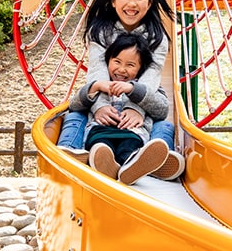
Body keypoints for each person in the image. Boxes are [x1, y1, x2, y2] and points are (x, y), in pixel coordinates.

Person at [56, 0, 185, 181]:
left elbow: (151, 76)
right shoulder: (100, 32)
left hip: (141, 95)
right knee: (75, 114)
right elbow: (98, 71)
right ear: (113, 1)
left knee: (164, 123)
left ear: (150, 2)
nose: (132, 4)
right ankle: (73, 152)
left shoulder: (157, 37)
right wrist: (101, 106)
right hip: (104, 93)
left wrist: (136, 109)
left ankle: (158, 161)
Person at [70, 33, 170, 185]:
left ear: (140, 68)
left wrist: (133, 91)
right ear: (108, 61)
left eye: (130, 65)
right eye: (117, 62)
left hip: (132, 133)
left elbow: (162, 110)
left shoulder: (146, 87)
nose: (122, 70)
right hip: (101, 131)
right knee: (100, 146)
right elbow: (74, 105)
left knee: (129, 150)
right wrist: (95, 87)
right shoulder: (100, 84)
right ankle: (107, 164)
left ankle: (129, 167)